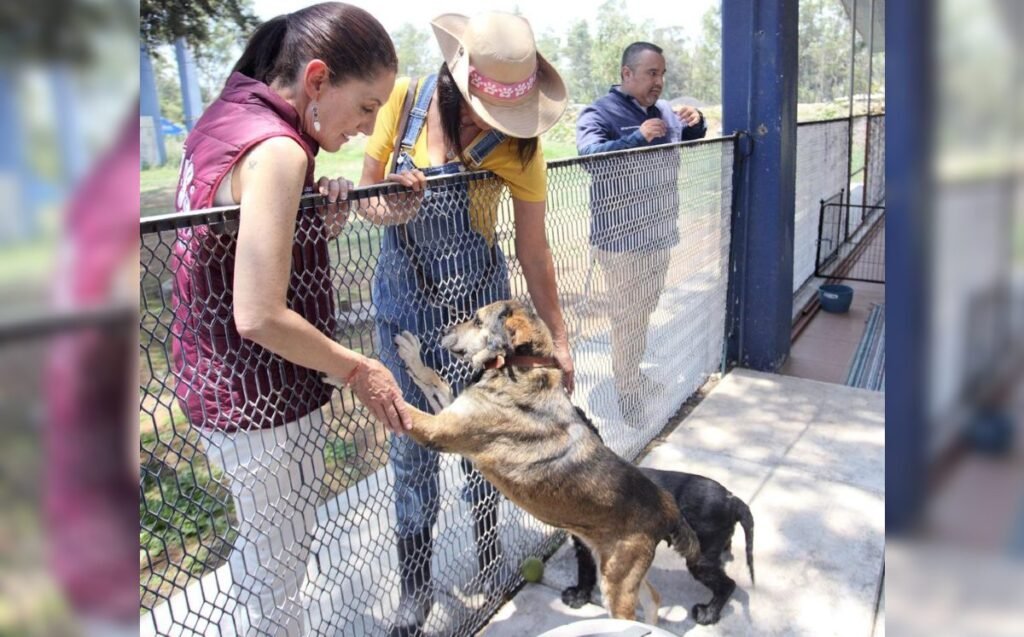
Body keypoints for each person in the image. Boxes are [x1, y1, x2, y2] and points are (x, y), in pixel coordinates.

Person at [168, 4, 411, 635]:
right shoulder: (277, 148)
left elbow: (236, 238)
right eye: (366, 106)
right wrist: (359, 368)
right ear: (318, 79)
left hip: (217, 384)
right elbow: (259, 314)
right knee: (273, 582)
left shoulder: (232, 117)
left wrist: (312, 207)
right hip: (259, 396)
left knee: (265, 565)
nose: (369, 126)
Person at [358, 11, 575, 637]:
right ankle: (415, 588)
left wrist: (558, 340)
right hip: (405, 308)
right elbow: (369, 199)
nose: (493, 127)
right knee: (411, 446)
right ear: (458, 83)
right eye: (485, 111)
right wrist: (391, 204)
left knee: (486, 436)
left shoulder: (521, 147)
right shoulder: (401, 103)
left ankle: (489, 549)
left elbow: (534, 253)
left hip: (481, 312)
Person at [575, 41, 707, 428]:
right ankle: (628, 394)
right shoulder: (600, 112)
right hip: (621, 241)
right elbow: (589, 156)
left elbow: (693, 134)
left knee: (643, 313)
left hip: (658, 234)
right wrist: (636, 139)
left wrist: (697, 120)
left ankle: (631, 375)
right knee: (627, 318)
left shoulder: (664, 111)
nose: (659, 82)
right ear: (626, 74)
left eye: (662, 74)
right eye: (652, 73)